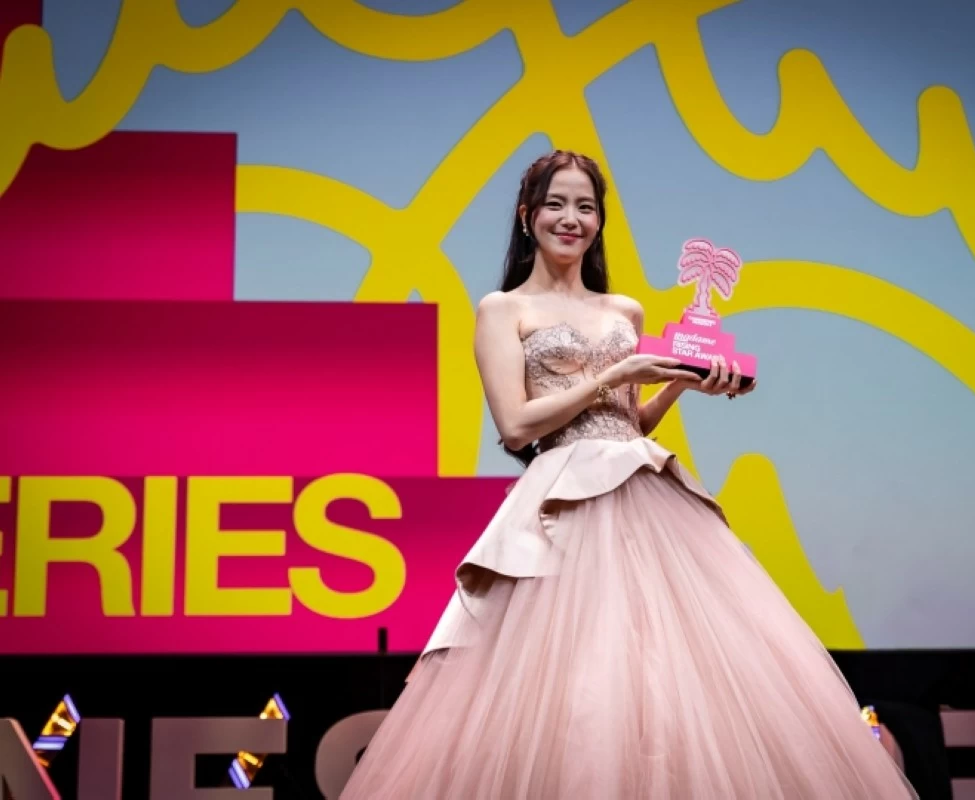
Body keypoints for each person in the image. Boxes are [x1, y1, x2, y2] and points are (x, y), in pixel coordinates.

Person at [339, 150, 918, 799]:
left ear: (599, 220)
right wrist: (613, 373)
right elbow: (516, 426)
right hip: (562, 504)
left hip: (642, 490)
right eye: (557, 204)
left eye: (585, 206)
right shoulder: (501, 309)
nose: (571, 218)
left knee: (663, 677)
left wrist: (683, 383)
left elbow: (628, 425)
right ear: (528, 216)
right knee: (573, 684)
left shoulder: (626, 310)